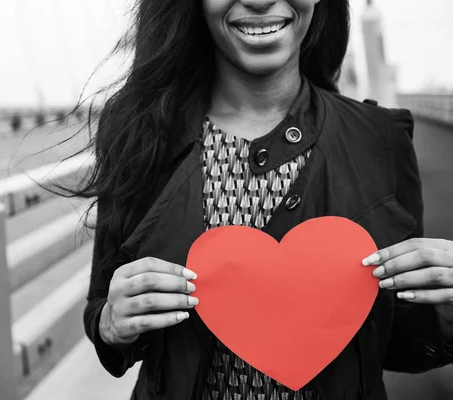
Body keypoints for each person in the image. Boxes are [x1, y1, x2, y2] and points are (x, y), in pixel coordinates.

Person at [73, 0, 453, 399]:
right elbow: (102, 305)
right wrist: (111, 324)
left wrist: (446, 318)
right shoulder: (138, 134)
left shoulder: (381, 139)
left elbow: (398, 339)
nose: (258, 0)